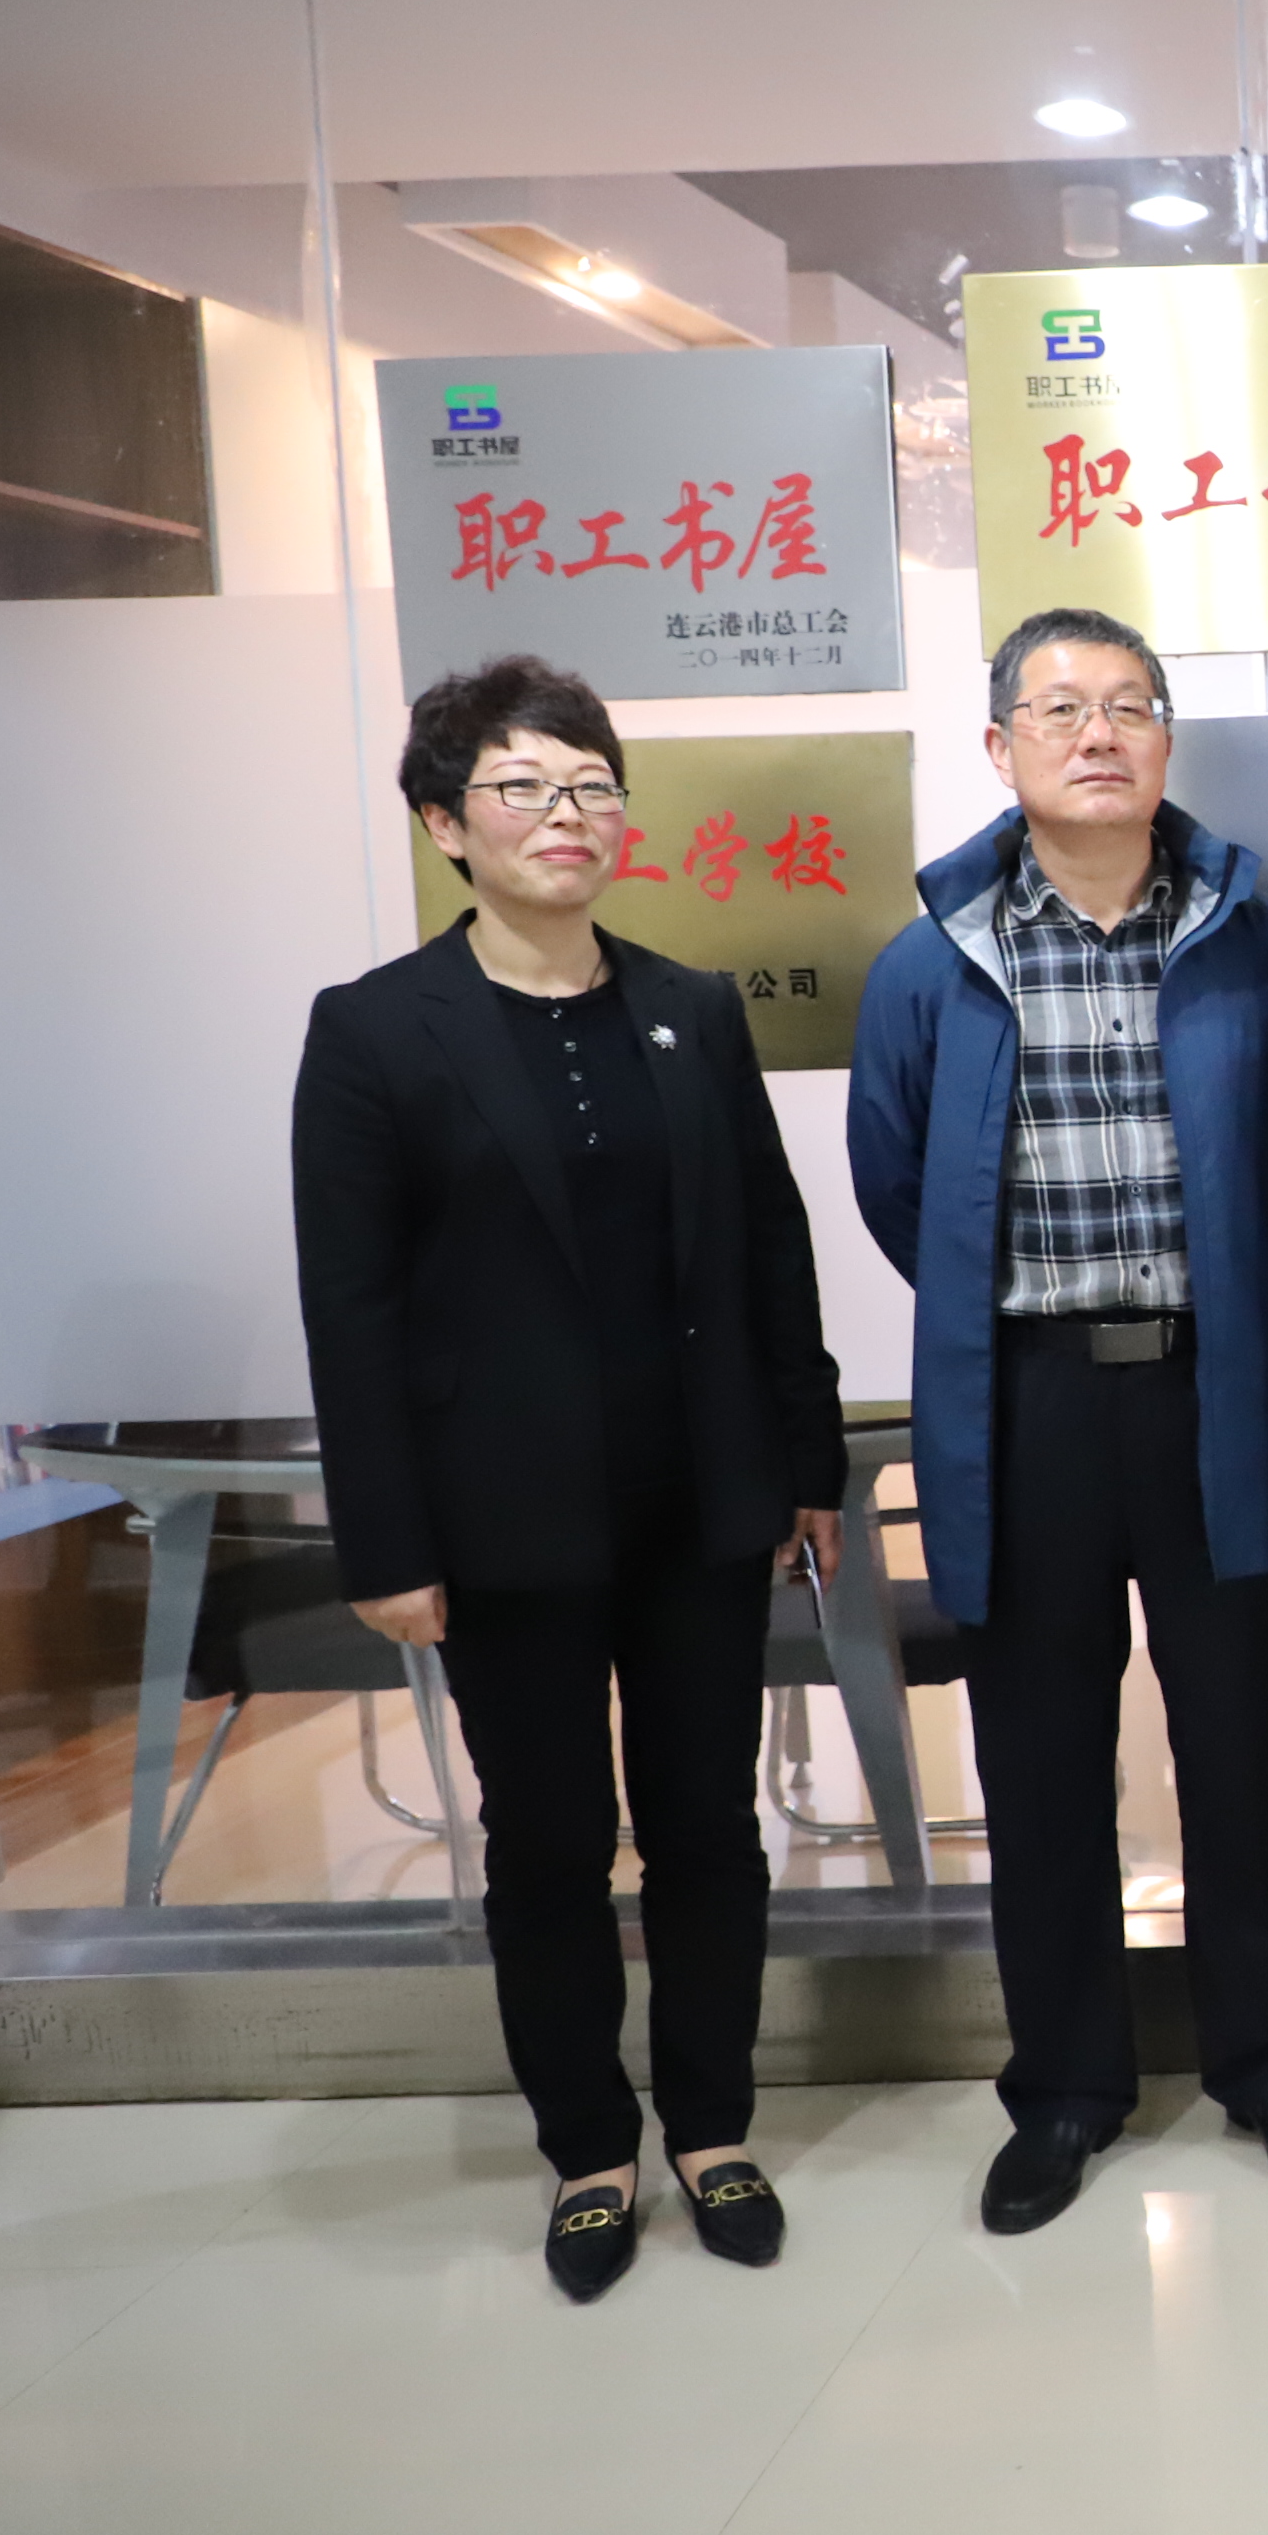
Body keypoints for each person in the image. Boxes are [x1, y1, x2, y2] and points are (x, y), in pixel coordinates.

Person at [293, 655, 845, 2303]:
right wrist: (385, 1540)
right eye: (523, 788)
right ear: (444, 825)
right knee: (546, 1842)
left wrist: (806, 1464)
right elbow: (352, 1310)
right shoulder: (377, 1031)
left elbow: (769, 1250)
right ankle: (590, 2150)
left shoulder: (693, 1008)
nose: (566, 815)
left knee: (707, 1829)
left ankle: (714, 2126)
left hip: (699, 1506)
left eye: (592, 786)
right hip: (503, 1524)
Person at [848, 605, 1268, 2234]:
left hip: (1221, 1391)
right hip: (1028, 1402)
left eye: (1130, 705)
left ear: (1166, 742)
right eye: (1061, 709)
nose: (1099, 733)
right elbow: (898, 1185)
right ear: (1000, 746)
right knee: (1041, 1757)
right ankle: (1065, 2088)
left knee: (1241, 1747)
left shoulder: (1257, 942)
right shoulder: (933, 964)